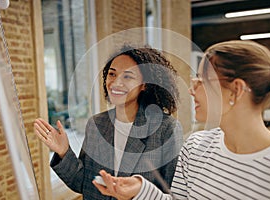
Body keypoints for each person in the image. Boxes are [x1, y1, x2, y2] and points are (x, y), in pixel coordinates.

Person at [93, 40, 270, 200]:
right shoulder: (196, 146)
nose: (191, 90)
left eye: (202, 81)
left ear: (236, 90)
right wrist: (141, 190)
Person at [34, 44, 183, 199]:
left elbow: (172, 194)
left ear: (144, 84)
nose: (116, 83)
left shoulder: (166, 129)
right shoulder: (97, 124)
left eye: (127, 76)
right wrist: (64, 152)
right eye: (112, 74)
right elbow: (83, 184)